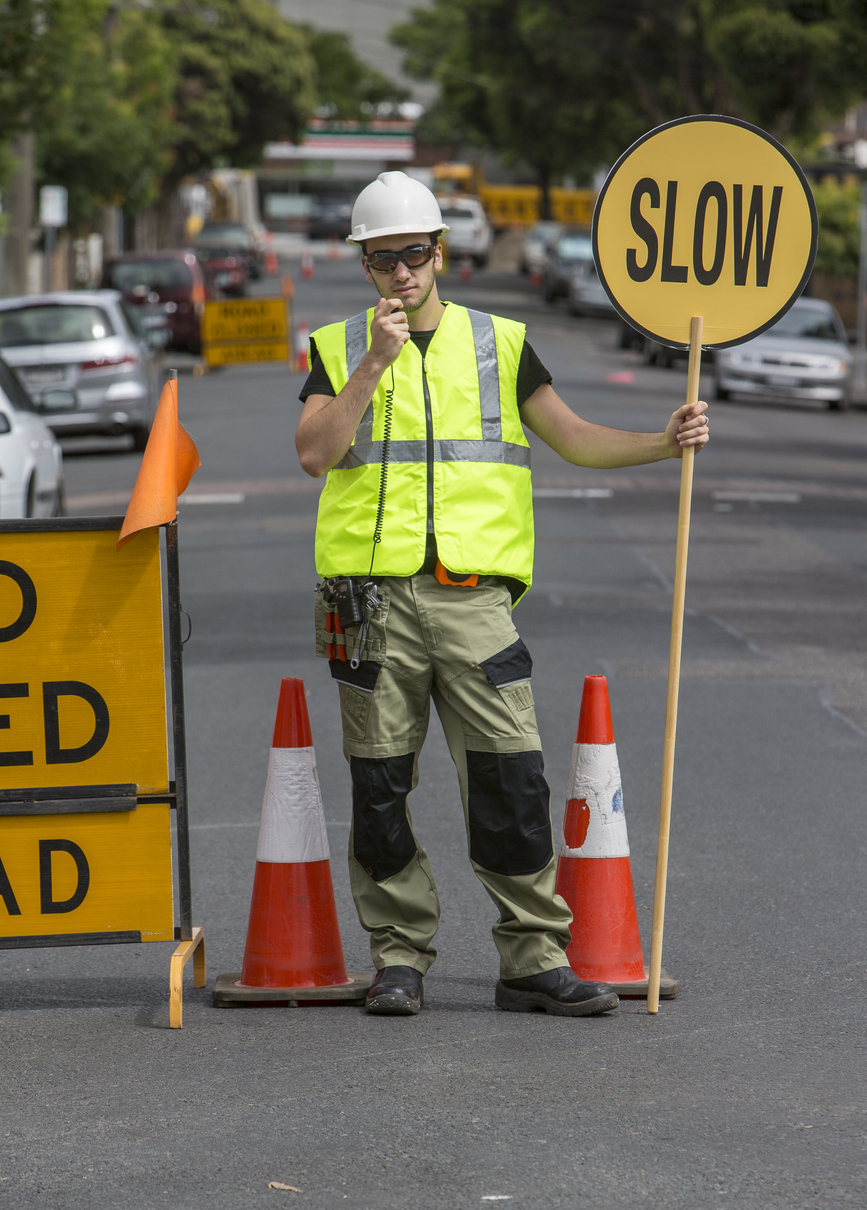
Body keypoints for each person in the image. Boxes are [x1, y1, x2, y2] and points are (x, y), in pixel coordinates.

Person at [296, 171, 708, 1018]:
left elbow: (576, 439)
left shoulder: (502, 342)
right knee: (379, 789)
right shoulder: (338, 347)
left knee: (511, 778)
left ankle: (530, 958)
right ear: (365, 267)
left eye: (413, 255)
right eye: (382, 261)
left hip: (474, 602)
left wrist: (661, 444)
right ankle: (399, 957)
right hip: (368, 607)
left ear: (441, 252)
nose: (400, 274)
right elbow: (314, 452)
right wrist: (375, 360)